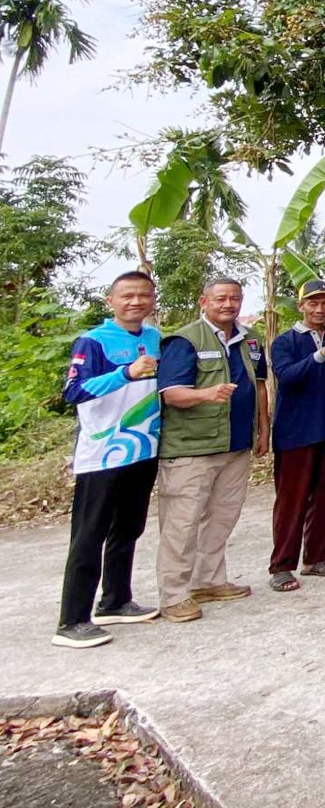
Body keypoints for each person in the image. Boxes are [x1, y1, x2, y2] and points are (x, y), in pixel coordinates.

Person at [53, 271, 164, 648]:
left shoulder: (153, 338)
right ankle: (72, 620)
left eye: (143, 296)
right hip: (102, 454)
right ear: (111, 301)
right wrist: (125, 373)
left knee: (128, 528)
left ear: (152, 300)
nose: (136, 302)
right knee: (89, 535)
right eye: (127, 296)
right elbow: (74, 391)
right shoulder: (93, 341)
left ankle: (115, 600)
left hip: (144, 448)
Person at [154, 277, 269, 621]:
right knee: (182, 523)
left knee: (222, 517)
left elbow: (259, 385)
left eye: (234, 298)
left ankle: (208, 581)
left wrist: (263, 428)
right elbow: (171, 393)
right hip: (193, 448)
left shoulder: (250, 340)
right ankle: (173, 595)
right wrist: (206, 394)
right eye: (220, 299)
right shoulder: (184, 340)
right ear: (204, 301)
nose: (228, 305)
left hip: (235, 444)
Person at [267, 279, 325, 592]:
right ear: (300, 306)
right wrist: (322, 354)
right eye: (313, 303)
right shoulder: (285, 341)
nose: (320, 309)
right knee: (292, 502)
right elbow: (287, 377)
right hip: (295, 433)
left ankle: (316, 558)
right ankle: (281, 566)